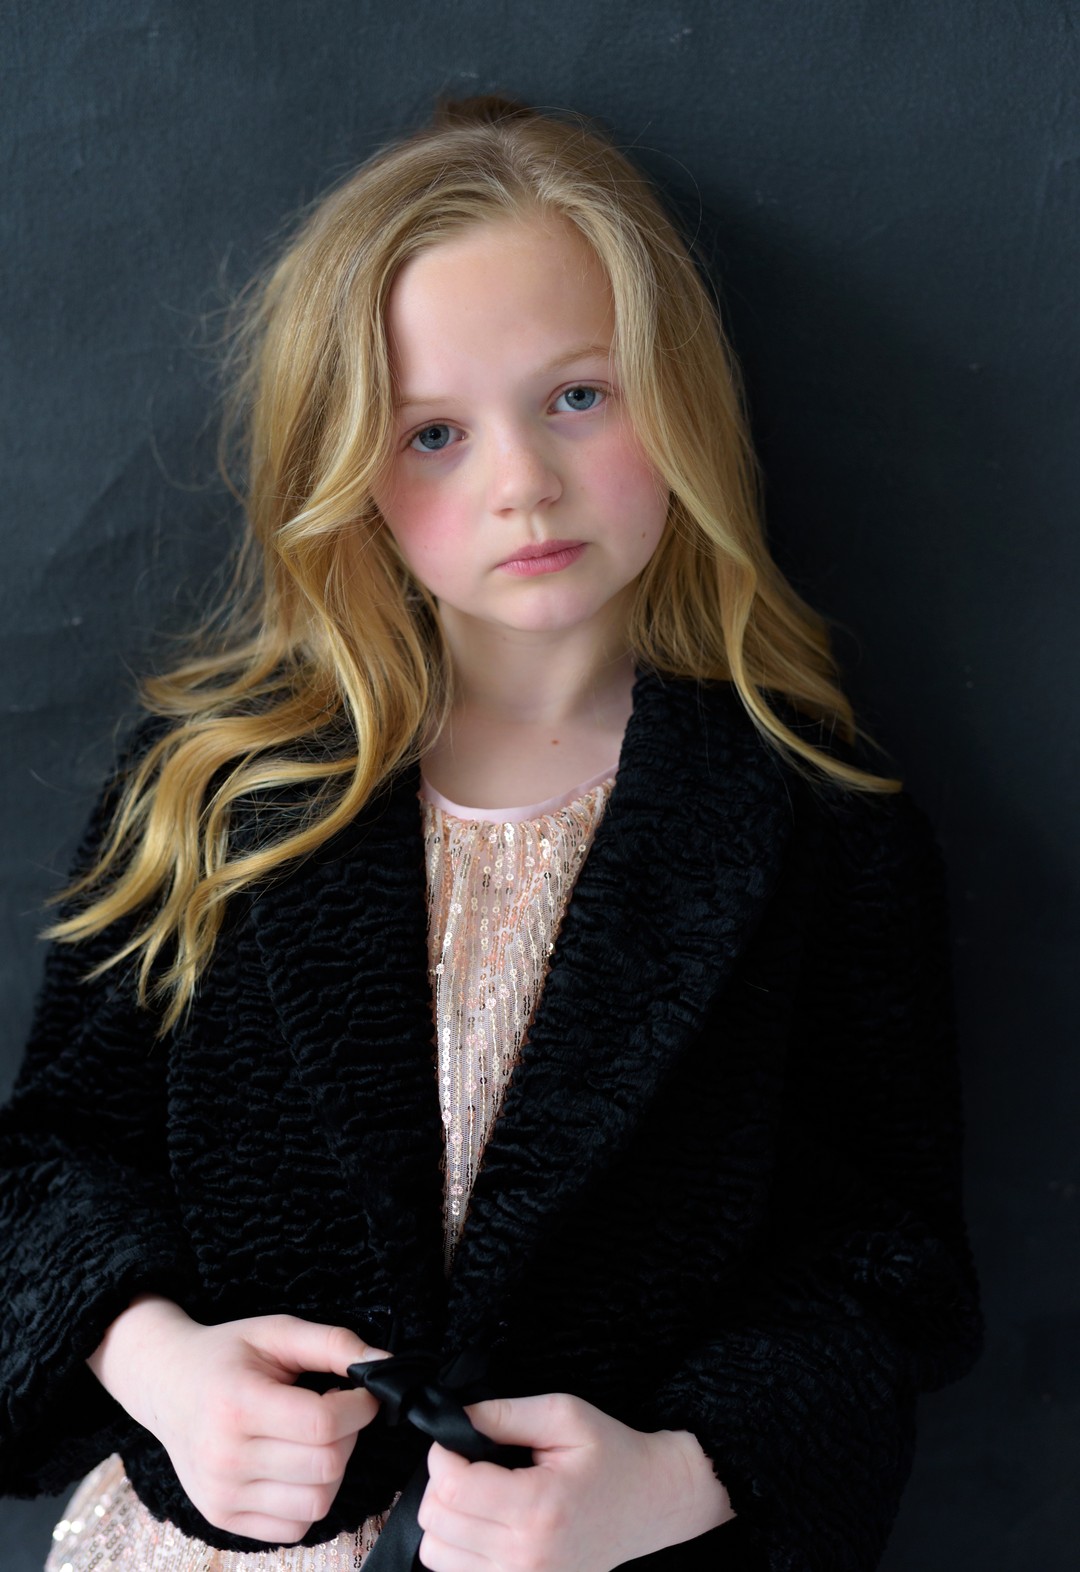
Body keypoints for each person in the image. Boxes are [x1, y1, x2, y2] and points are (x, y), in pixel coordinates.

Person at [0, 94, 983, 1572]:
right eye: (435, 434)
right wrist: (163, 1368)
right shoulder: (218, 785)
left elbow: (884, 1270)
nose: (522, 481)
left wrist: (677, 1476)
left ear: (678, 396)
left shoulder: (814, 820)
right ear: (347, 465)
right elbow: (47, 1164)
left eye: (578, 396)